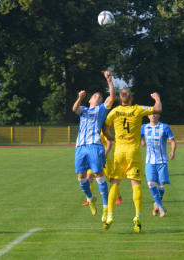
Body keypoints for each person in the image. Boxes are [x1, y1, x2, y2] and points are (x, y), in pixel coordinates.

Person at [102, 87, 162, 233]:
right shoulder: (137, 109)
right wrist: (157, 98)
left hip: (119, 152)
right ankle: (138, 216)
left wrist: (110, 137)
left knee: (114, 185)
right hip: (133, 152)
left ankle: (109, 216)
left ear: (119, 100)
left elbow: (104, 128)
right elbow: (157, 109)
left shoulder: (114, 111)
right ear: (132, 98)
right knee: (136, 186)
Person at [72, 71, 116, 222]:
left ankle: (105, 207)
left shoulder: (102, 109)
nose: (99, 97)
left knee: (98, 175)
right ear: (90, 99)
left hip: (95, 146)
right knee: (81, 177)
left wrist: (109, 81)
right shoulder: (83, 110)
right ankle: (91, 199)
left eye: (100, 96)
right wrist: (79, 98)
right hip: (80, 147)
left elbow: (112, 97)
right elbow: (74, 109)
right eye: (96, 95)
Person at [140, 114, 177, 217]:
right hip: (149, 161)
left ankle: (157, 205)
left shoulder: (165, 127)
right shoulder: (144, 127)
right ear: (148, 115)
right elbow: (138, 136)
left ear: (159, 115)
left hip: (162, 161)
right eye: (151, 113)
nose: (153, 115)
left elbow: (173, 141)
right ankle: (161, 208)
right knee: (151, 184)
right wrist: (142, 140)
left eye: (155, 113)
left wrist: (173, 151)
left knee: (161, 187)